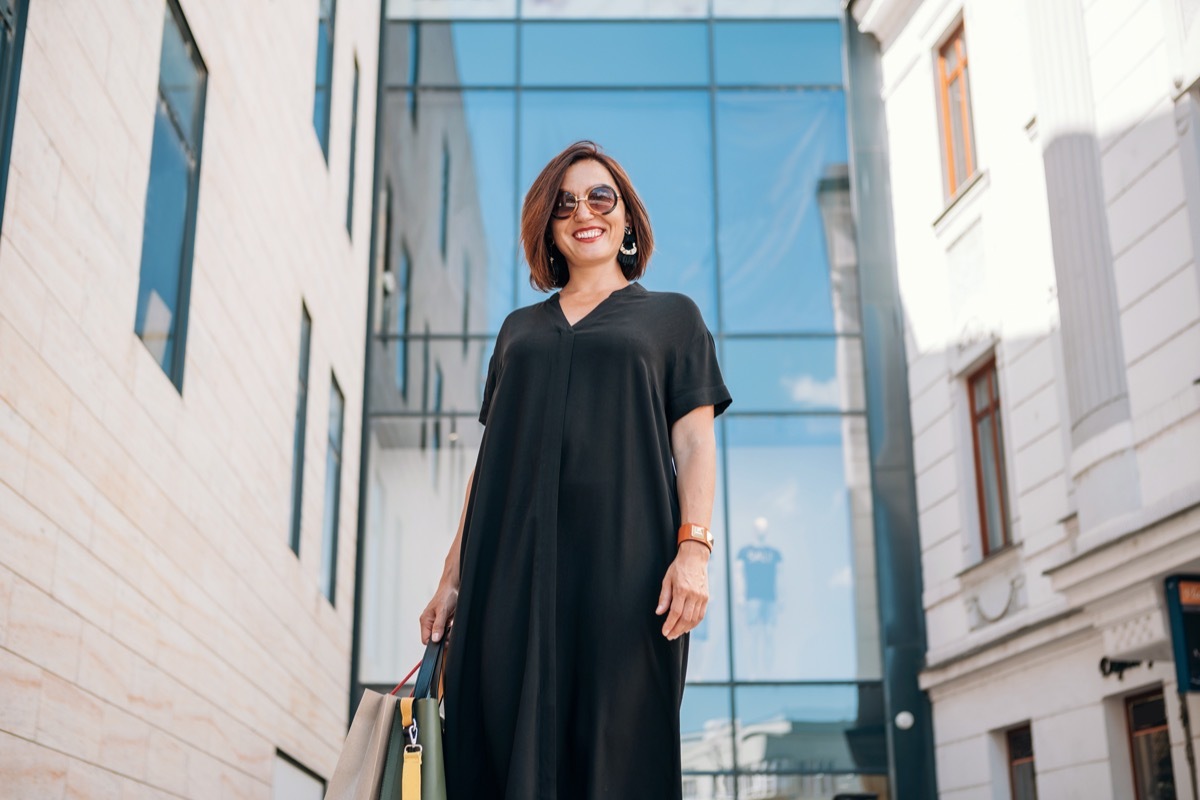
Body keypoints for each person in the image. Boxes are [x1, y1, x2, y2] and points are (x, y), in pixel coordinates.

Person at [418, 140, 731, 799]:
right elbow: (489, 464)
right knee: (495, 748)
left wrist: (694, 551)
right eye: (564, 204)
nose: (582, 212)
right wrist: (452, 580)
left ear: (626, 218)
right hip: (505, 578)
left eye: (599, 196)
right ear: (548, 229)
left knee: (616, 752)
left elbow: (697, 445)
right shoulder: (517, 331)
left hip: (625, 576)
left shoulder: (673, 319)